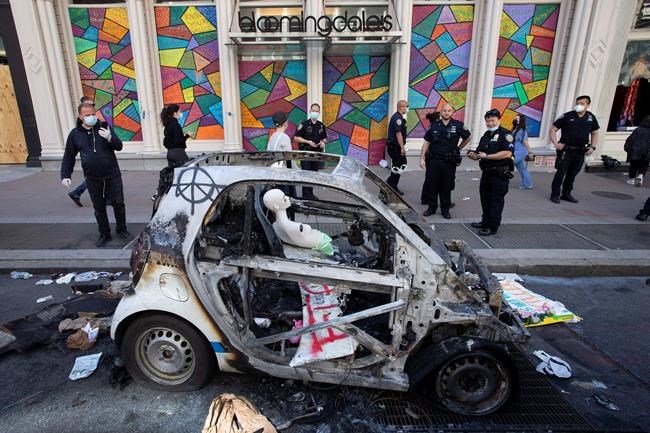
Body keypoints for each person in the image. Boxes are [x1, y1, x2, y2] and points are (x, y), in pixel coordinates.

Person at [61, 102, 130, 247]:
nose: (91, 117)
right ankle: (104, 233)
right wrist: (66, 175)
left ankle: (122, 230)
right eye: (87, 115)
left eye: (93, 114)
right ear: (80, 117)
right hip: (93, 177)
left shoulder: (104, 127)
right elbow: (69, 156)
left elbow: (119, 146)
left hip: (112, 174)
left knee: (119, 203)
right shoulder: (75, 134)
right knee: (99, 207)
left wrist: (110, 138)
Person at [419, 103, 471, 218]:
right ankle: (431, 208)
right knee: (432, 185)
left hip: (449, 162)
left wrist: (458, 148)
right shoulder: (434, 125)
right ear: (441, 112)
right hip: (434, 161)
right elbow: (427, 142)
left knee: (446, 186)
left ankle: (445, 209)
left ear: (452, 112)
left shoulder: (458, 125)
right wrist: (422, 158)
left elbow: (468, 137)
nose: (446, 112)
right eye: (444, 111)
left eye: (449, 110)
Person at [467, 109, 514, 236]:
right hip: (487, 173)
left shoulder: (506, 134)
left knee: (495, 201)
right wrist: (474, 156)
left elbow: (507, 153)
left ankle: (492, 227)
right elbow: (479, 152)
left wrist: (487, 156)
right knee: (485, 199)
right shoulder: (486, 135)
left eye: (492, 120)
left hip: (499, 174)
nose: (490, 123)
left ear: (499, 120)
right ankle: (485, 221)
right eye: (488, 121)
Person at [549, 95, 600, 204]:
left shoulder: (591, 118)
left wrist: (593, 147)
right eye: (577, 103)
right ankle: (555, 194)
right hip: (566, 151)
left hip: (580, 151)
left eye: (582, 103)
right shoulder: (567, 116)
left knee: (572, 174)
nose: (579, 106)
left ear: (588, 105)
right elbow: (553, 129)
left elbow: (595, 133)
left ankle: (566, 194)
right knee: (560, 173)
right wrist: (556, 144)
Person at [68, 96, 105, 207]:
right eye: (90, 104)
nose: (92, 107)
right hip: (90, 157)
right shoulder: (78, 128)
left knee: (101, 176)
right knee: (94, 177)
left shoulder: (97, 122)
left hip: (99, 156)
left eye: (93, 105)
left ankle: (104, 196)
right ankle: (77, 192)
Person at [294, 103, 327, 199]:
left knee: (313, 175)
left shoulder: (321, 126)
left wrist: (323, 142)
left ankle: (310, 194)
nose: (315, 113)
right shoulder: (303, 124)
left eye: (317, 111)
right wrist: (307, 142)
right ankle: (306, 195)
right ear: (310, 111)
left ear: (319, 112)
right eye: (313, 111)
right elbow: (296, 138)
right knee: (306, 174)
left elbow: (324, 138)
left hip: (317, 154)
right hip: (306, 154)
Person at [386, 100, 409, 195]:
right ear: (401, 107)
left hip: (396, 146)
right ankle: (389, 185)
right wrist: (402, 148)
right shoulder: (397, 119)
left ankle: (393, 185)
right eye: (407, 106)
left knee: (399, 166)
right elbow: (398, 134)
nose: (408, 108)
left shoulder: (399, 117)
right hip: (395, 146)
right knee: (398, 166)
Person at [623, 115, 650, 186]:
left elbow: (630, 140)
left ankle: (631, 179)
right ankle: (640, 176)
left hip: (635, 151)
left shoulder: (637, 130)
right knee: (644, 164)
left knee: (634, 165)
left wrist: (627, 149)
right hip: (647, 152)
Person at [420, 111, 440, 205]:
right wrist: (422, 157)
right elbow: (426, 144)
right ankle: (426, 199)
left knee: (429, 178)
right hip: (431, 157)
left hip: (430, 157)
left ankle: (425, 198)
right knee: (430, 178)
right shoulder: (433, 129)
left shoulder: (431, 127)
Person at [511, 114, 534, 189]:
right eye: (515, 118)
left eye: (517, 119)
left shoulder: (522, 131)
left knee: (507, 163)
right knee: (522, 169)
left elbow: (525, 142)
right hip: (518, 152)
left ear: (521, 121)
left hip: (519, 153)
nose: (515, 120)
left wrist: (530, 153)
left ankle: (500, 181)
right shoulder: (515, 129)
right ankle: (528, 184)